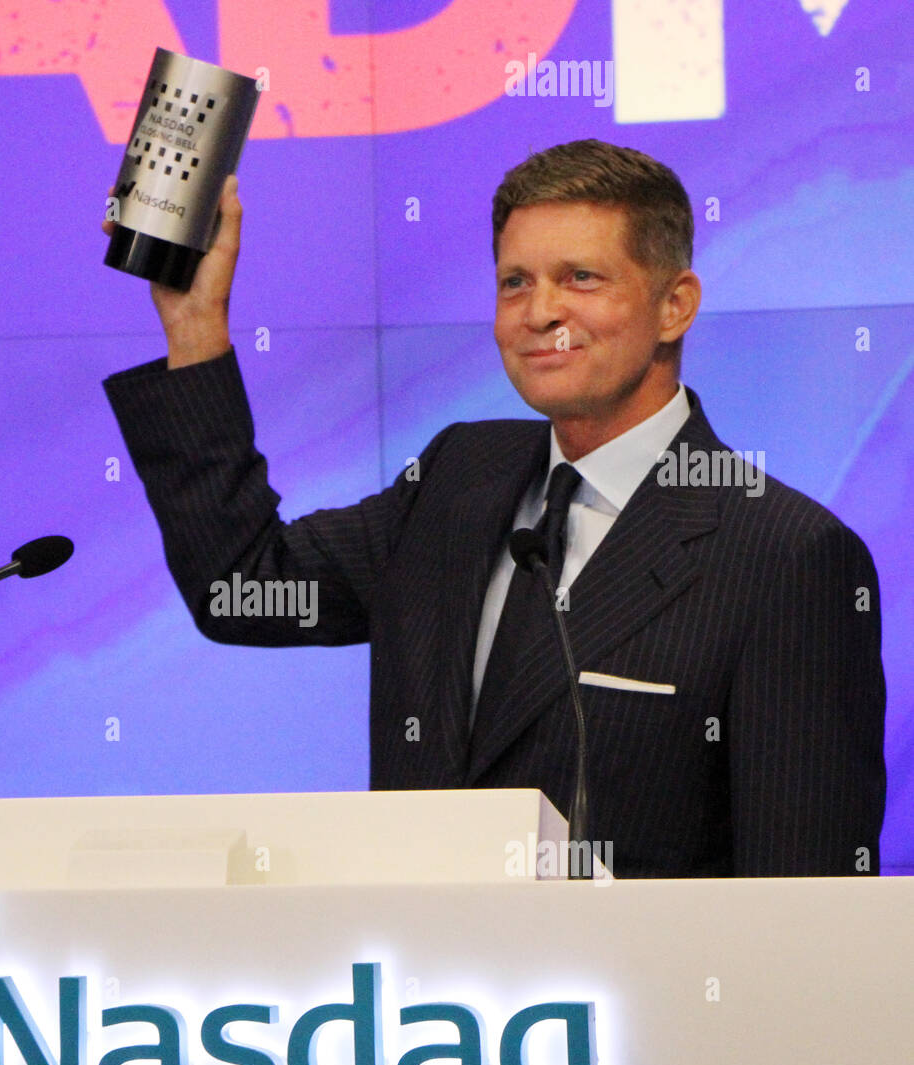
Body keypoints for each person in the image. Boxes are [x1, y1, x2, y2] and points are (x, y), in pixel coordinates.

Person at [101, 139, 886, 878]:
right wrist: (196, 326)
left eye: (580, 277)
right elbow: (241, 587)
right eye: (515, 281)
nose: (538, 311)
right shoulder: (459, 478)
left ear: (675, 305)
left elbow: (804, 898)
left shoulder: (787, 556)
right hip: (427, 1013)